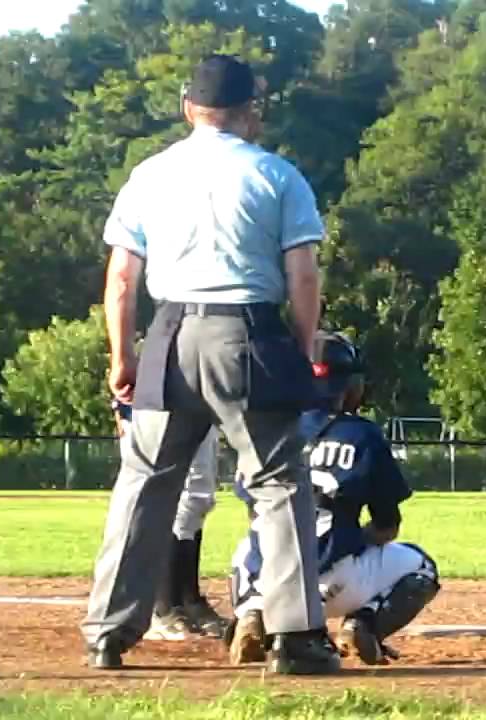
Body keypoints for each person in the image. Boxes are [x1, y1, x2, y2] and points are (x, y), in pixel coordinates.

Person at [81, 54, 339, 675]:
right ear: (251, 111)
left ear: (187, 107)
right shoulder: (278, 175)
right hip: (248, 334)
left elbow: (121, 278)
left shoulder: (149, 174)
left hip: (169, 333)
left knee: (144, 484)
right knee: (277, 485)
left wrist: (124, 357)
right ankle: (295, 638)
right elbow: (302, 275)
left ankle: (108, 635)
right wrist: (303, 350)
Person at [226, 331, 440, 666]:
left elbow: (253, 513)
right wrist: (356, 538)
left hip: (272, 583)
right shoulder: (363, 434)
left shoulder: (263, 432)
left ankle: (253, 611)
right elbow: (387, 525)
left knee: (246, 547)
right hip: (335, 585)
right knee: (422, 564)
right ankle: (363, 623)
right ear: (351, 387)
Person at [111, 400, 226, 640]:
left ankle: (187, 598)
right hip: (150, 401)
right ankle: (161, 605)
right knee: (157, 494)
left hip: (197, 395)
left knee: (197, 496)